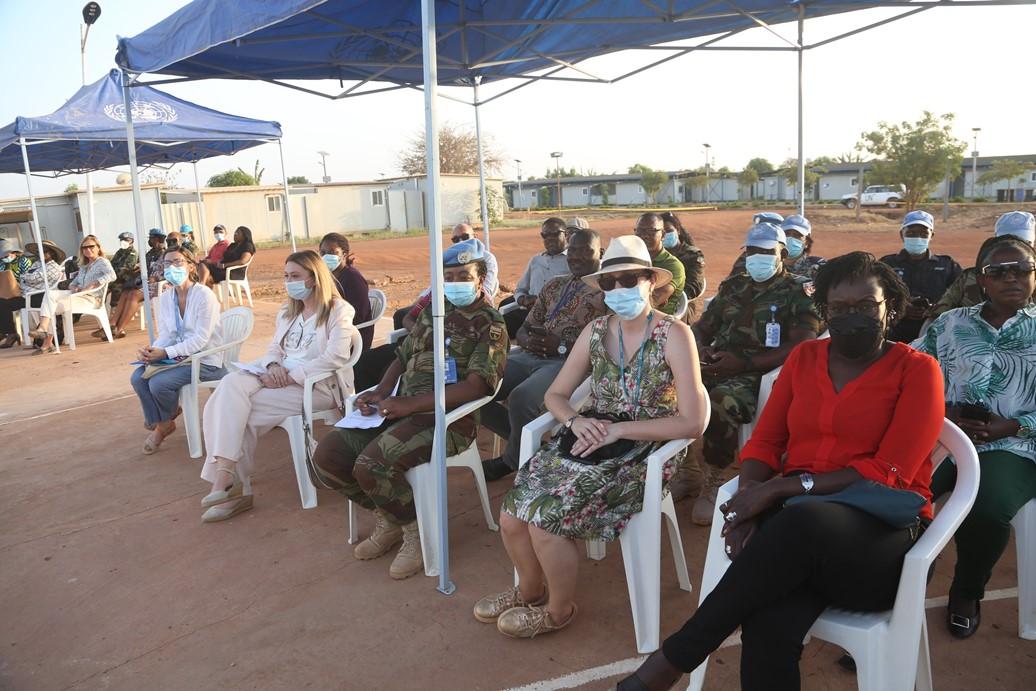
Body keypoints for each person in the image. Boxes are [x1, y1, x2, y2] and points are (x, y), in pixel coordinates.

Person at [620, 251, 943, 691]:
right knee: (768, 627)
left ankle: (671, 661)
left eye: (867, 305)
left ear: (890, 306)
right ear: (824, 310)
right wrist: (749, 498)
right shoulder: (805, 359)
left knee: (799, 520)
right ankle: (666, 667)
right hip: (797, 545)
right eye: (839, 307)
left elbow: (890, 470)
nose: (853, 316)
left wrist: (781, 489)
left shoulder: (918, 370)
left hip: (880, 549)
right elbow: (766, 443)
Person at [473, 235, 709, 639]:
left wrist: (619, 429)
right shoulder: (596, 330)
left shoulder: (674, 334)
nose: (619, 289)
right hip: (592, 437)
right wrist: (573, 422)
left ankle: (558, 610)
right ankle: (530, 590)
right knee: (511, 516)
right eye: (610, 282)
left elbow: (692, 422)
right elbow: (556, 395)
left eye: (629, 279)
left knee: (545, 523)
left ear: (650, 281)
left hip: (646, 450)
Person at [311, 239, 508, 579]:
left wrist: (407, 405)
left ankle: (416, 533)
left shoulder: (490, 324)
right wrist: (380, 392)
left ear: (480, 280)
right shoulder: (435, 312)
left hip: (447, 420)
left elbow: (476, 387)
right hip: (399, 406)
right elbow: (402, 356)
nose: (455, 283)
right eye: (449, 277)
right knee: (328, 457)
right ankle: (391, 518)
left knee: (371, 464)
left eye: (464, 276)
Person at [912, 235, 1036, 639]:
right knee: (899, 496)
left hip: (1013, 445)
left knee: (988, 509)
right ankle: (895, 594)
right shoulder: (952, 323)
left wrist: (1011, 426)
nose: (1011, 278)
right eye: (998, 271)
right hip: (946, 438)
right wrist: (944, 412)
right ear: (981, 280)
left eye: (1021, 269)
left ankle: (966, 592)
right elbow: (914, 369)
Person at [198, 250, 358, 523]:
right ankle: (227, 479)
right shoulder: (288, 312)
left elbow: (336, 356)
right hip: (278, 378)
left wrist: (290, 376)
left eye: (295, 276)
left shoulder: (338, 310)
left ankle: (230, 484)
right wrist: (273, 366)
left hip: (316, 387)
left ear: (314, 278)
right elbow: (274, 349)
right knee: (230, 385)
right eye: (286, 276)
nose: (288, 282)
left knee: (234, 410)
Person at [690, 222, 820, 525]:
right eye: (751, 251)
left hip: (759, 372)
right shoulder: (734, 285)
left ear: (782, 254)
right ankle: (686, 469)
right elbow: (702, 327)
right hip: (717, 363)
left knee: (722, 400)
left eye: (765, 251)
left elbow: (803, 343)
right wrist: (701, 349)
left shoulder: (799, 291)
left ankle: (714, 478)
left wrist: (744, 364)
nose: (756, 257)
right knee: (670, 390)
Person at [481, 229, 607, 480]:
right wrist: (528, 340)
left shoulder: (608, 290)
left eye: (586, 250)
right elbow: (525, 327)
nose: (577, 256)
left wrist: (561, 346)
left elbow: (607, 341)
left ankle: (512, 461)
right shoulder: (554, 284)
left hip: (569, 363)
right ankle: (532, 448)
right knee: (478, 386)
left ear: (600, 253)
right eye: (572, 250)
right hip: (530, 355)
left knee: (521, 398)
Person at [130, 246, 225, 454]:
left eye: (177, 262)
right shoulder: (166, 298)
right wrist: (153, 350)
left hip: (204, 360)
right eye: (167, 263)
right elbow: (167, 333)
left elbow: (201, 339)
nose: (171, 267)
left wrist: (166, 353)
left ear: (190, 266)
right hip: (179, 358)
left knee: (158, 383)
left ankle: (161, 426)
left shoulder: (204, 296)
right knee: (137, 378)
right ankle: (164, 421)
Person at [392, 223, 501, 330]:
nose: (461, 241)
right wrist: (421, 330)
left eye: (465, 237)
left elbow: (486, 291)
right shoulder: (450, 262)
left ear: (475, 236)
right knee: (401, 314)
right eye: (456, 239)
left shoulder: (486, 258)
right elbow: (434, 288)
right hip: (445, 303)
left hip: (469, 304)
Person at [929, 210, 1035, 320]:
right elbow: (936, 316)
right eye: (1009, 242)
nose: (1016, 249)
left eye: (1025, 243)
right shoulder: (969, 278)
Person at [879, 210, 961, 343]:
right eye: (911, 233)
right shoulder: (887, 264)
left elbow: (961, 297)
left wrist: (936, 309)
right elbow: (875, 295)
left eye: (923, 234)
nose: (917, 237)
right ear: (902, 234)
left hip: (936, 334)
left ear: (931, 235)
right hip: (894, 334)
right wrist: (901, 307)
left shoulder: (947, 265)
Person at [29, 234, 115, 354]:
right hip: (78, 296)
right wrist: (74, 287)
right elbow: (73, 283)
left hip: (92, 299)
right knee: (49, 298)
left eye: (91, 246)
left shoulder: (102, 262)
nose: (88, 249)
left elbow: (112, 275)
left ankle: (46, 340)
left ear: (98, 247)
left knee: (50, 305)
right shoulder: (84, 266)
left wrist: (93, 284)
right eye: (84, 248)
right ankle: (45, 334)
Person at [502, 217, 571, 337]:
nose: (549, 238)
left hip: (557, 314)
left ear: (566, 234)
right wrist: (522, 299)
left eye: (555, 234)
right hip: (530, 312)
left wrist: (542, 301)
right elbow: (520, 289)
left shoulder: (573, 260)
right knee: (498, 326)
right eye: (545, 235)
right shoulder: (536, 260)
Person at [0, 239, 62, 349]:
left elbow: (32, 278)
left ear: (52, 253)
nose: (40, 253)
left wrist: (26, 278)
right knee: (2, 303)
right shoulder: (37, 264)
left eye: (44, 251)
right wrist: (27, 278)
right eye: (38, 251)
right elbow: (26, 277)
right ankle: (10, 333)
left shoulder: (54, 267)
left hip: (40, 297)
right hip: (26, 295)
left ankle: (12, 334)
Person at [108, 228, 166, 339]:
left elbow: (167, 271)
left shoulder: (165, 254)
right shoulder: (150, 253)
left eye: (151, 238)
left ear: (158, 239)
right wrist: (138, 269)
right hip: (145, 282)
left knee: (133, 295)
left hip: (158, 284)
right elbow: (145, 267)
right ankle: (112, 324)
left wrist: (155, 278)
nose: (149, 240)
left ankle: (119, 329)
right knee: (125, 292)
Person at [320, 232, 373, 350]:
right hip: (332, 331)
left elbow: (358, 316)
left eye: (332, 252)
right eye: (323, 253)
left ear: (344, 254)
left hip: (353, 338)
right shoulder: (327, 277)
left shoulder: (353, 278)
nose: (326, 256)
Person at [633, 213, 686, 315]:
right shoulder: (631, 259)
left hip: (656, 320)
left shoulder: (673, 266)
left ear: (663, 235)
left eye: (651, 231)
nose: (644, 235)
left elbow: (652, 301)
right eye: (639, 231)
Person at [660, 211, 706, 302]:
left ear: (678, 230)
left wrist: (669, 298)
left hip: (682, 303)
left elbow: (694, 286)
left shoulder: (693, 255)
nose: (665, 235)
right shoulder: (655, 254)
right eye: (662, 232)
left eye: (669, 231)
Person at [108, 231, 139, 308]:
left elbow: (126, 268)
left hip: (124, 279)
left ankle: (115, 309)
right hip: (114, 277)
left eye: (126, 240)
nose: (123, 242)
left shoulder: (133, 253)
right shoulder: (120, 252)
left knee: (116, 288)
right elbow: (111, 265)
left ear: (132, 241)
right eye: (122, 240)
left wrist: (112, 275)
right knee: (101, 288)